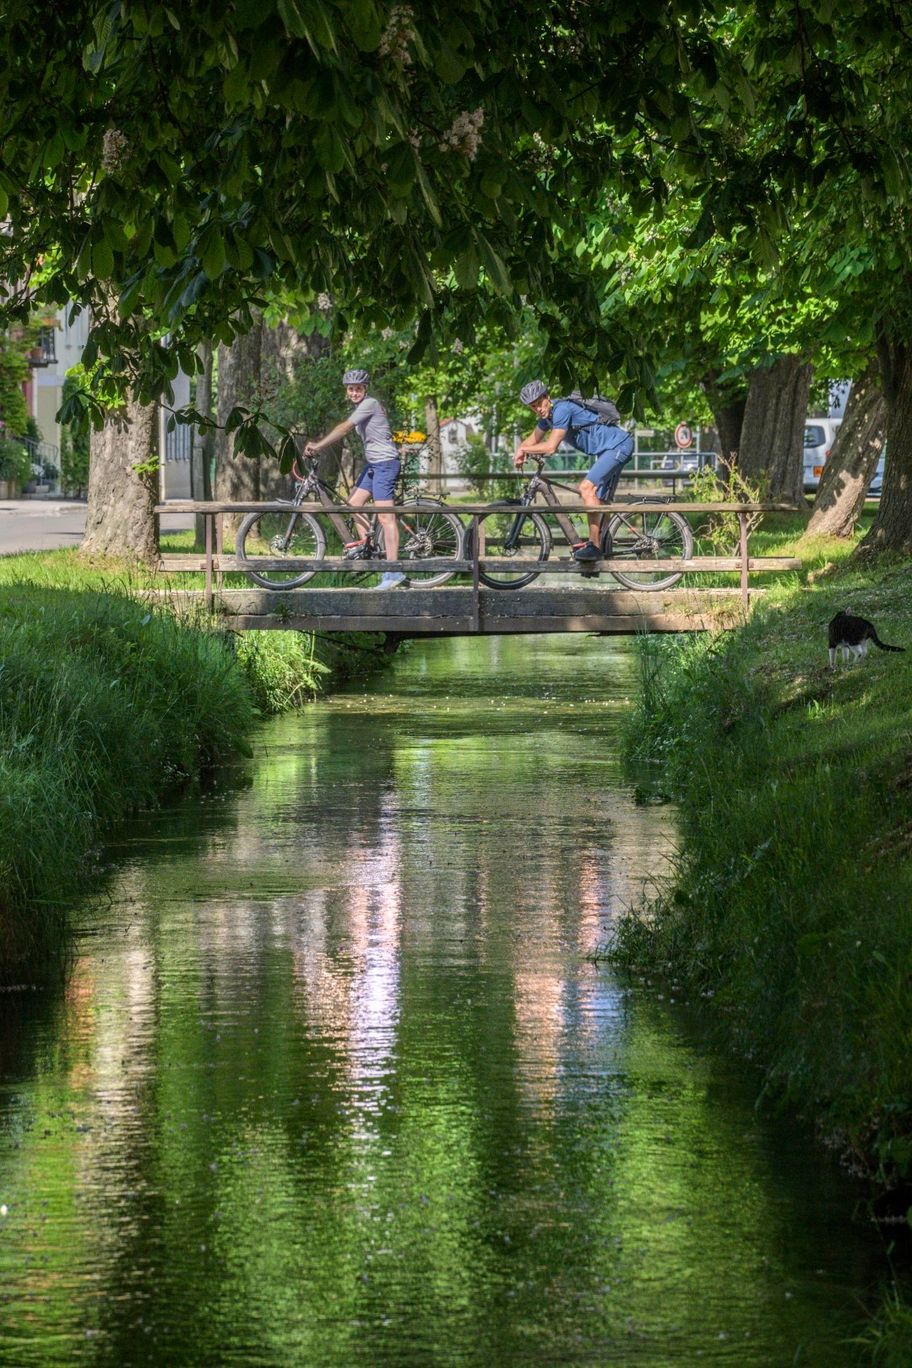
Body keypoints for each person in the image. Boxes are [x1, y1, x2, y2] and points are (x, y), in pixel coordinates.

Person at [304, 369, 406, 590]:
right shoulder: (362, 407)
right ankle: (370, 549)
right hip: (375, 465)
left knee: (386, 518)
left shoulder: (370, 404)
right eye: (351, 389)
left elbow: (345, 428)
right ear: (346, 391)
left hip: (386, 464)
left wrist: (318, 445)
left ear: (365, 389)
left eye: (358, 388)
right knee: (353, 505)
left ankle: (393, 572)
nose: (354, 392)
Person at [514, 380, 634, 561]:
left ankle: (594, 547)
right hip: (606, 451)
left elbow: (551, 447)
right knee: (598, 500)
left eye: (539, 403)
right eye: (533, 406)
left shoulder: (562, 410)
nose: (538, 408)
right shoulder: (547, 419)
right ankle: (602, 548)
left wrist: (524, 451)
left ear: (547, 397)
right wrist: (519, 451)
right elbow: (531, 441)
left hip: (618, 446)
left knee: (586, 488)